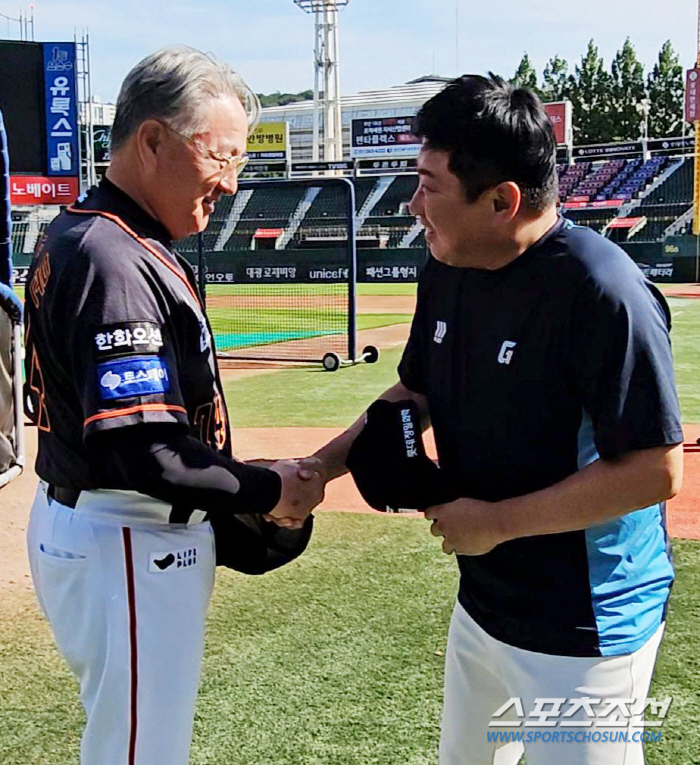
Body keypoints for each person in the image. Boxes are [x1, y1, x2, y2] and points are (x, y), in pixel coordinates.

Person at [301, 75, 684, 765]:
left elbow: (654, 472)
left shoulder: (604, 292)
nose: (415, 206)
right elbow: (411, 393)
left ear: (503, 201)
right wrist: (318, 469)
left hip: (587, 625)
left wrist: (497, 522)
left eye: (429, 185)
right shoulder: (447, 265)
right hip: (484, 603)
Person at [24, 45, 322, 765]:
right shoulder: (111, 257)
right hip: (126, 533)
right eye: (220, 157)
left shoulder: (100, 234)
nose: (232, 181)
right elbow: (140, 448)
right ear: (152, 140)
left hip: (118, 530)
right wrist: (265, 488)